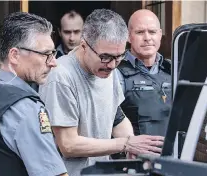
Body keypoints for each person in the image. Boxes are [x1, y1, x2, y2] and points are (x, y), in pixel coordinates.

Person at [39, 9, 164, 176]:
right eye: (105, 57)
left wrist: (134, 147)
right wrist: (126, 144)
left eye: (119, 57)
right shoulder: (61, 76)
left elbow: (117, 118)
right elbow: (68, 145)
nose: (112, 65)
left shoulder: (108, 70)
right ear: (84, 45)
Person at [0, 12, 68, 176]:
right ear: (15, 55)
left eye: (53, 54)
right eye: (46, 54)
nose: (53, 62)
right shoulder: (25, 108)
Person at [116, 9, 172, 136]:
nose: (147, 38)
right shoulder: (116, 72)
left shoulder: (173, 69)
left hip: (172, 153)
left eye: (152, 32)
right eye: (140, 32)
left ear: (160, 34)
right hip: (134, 154)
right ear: (128, 36)